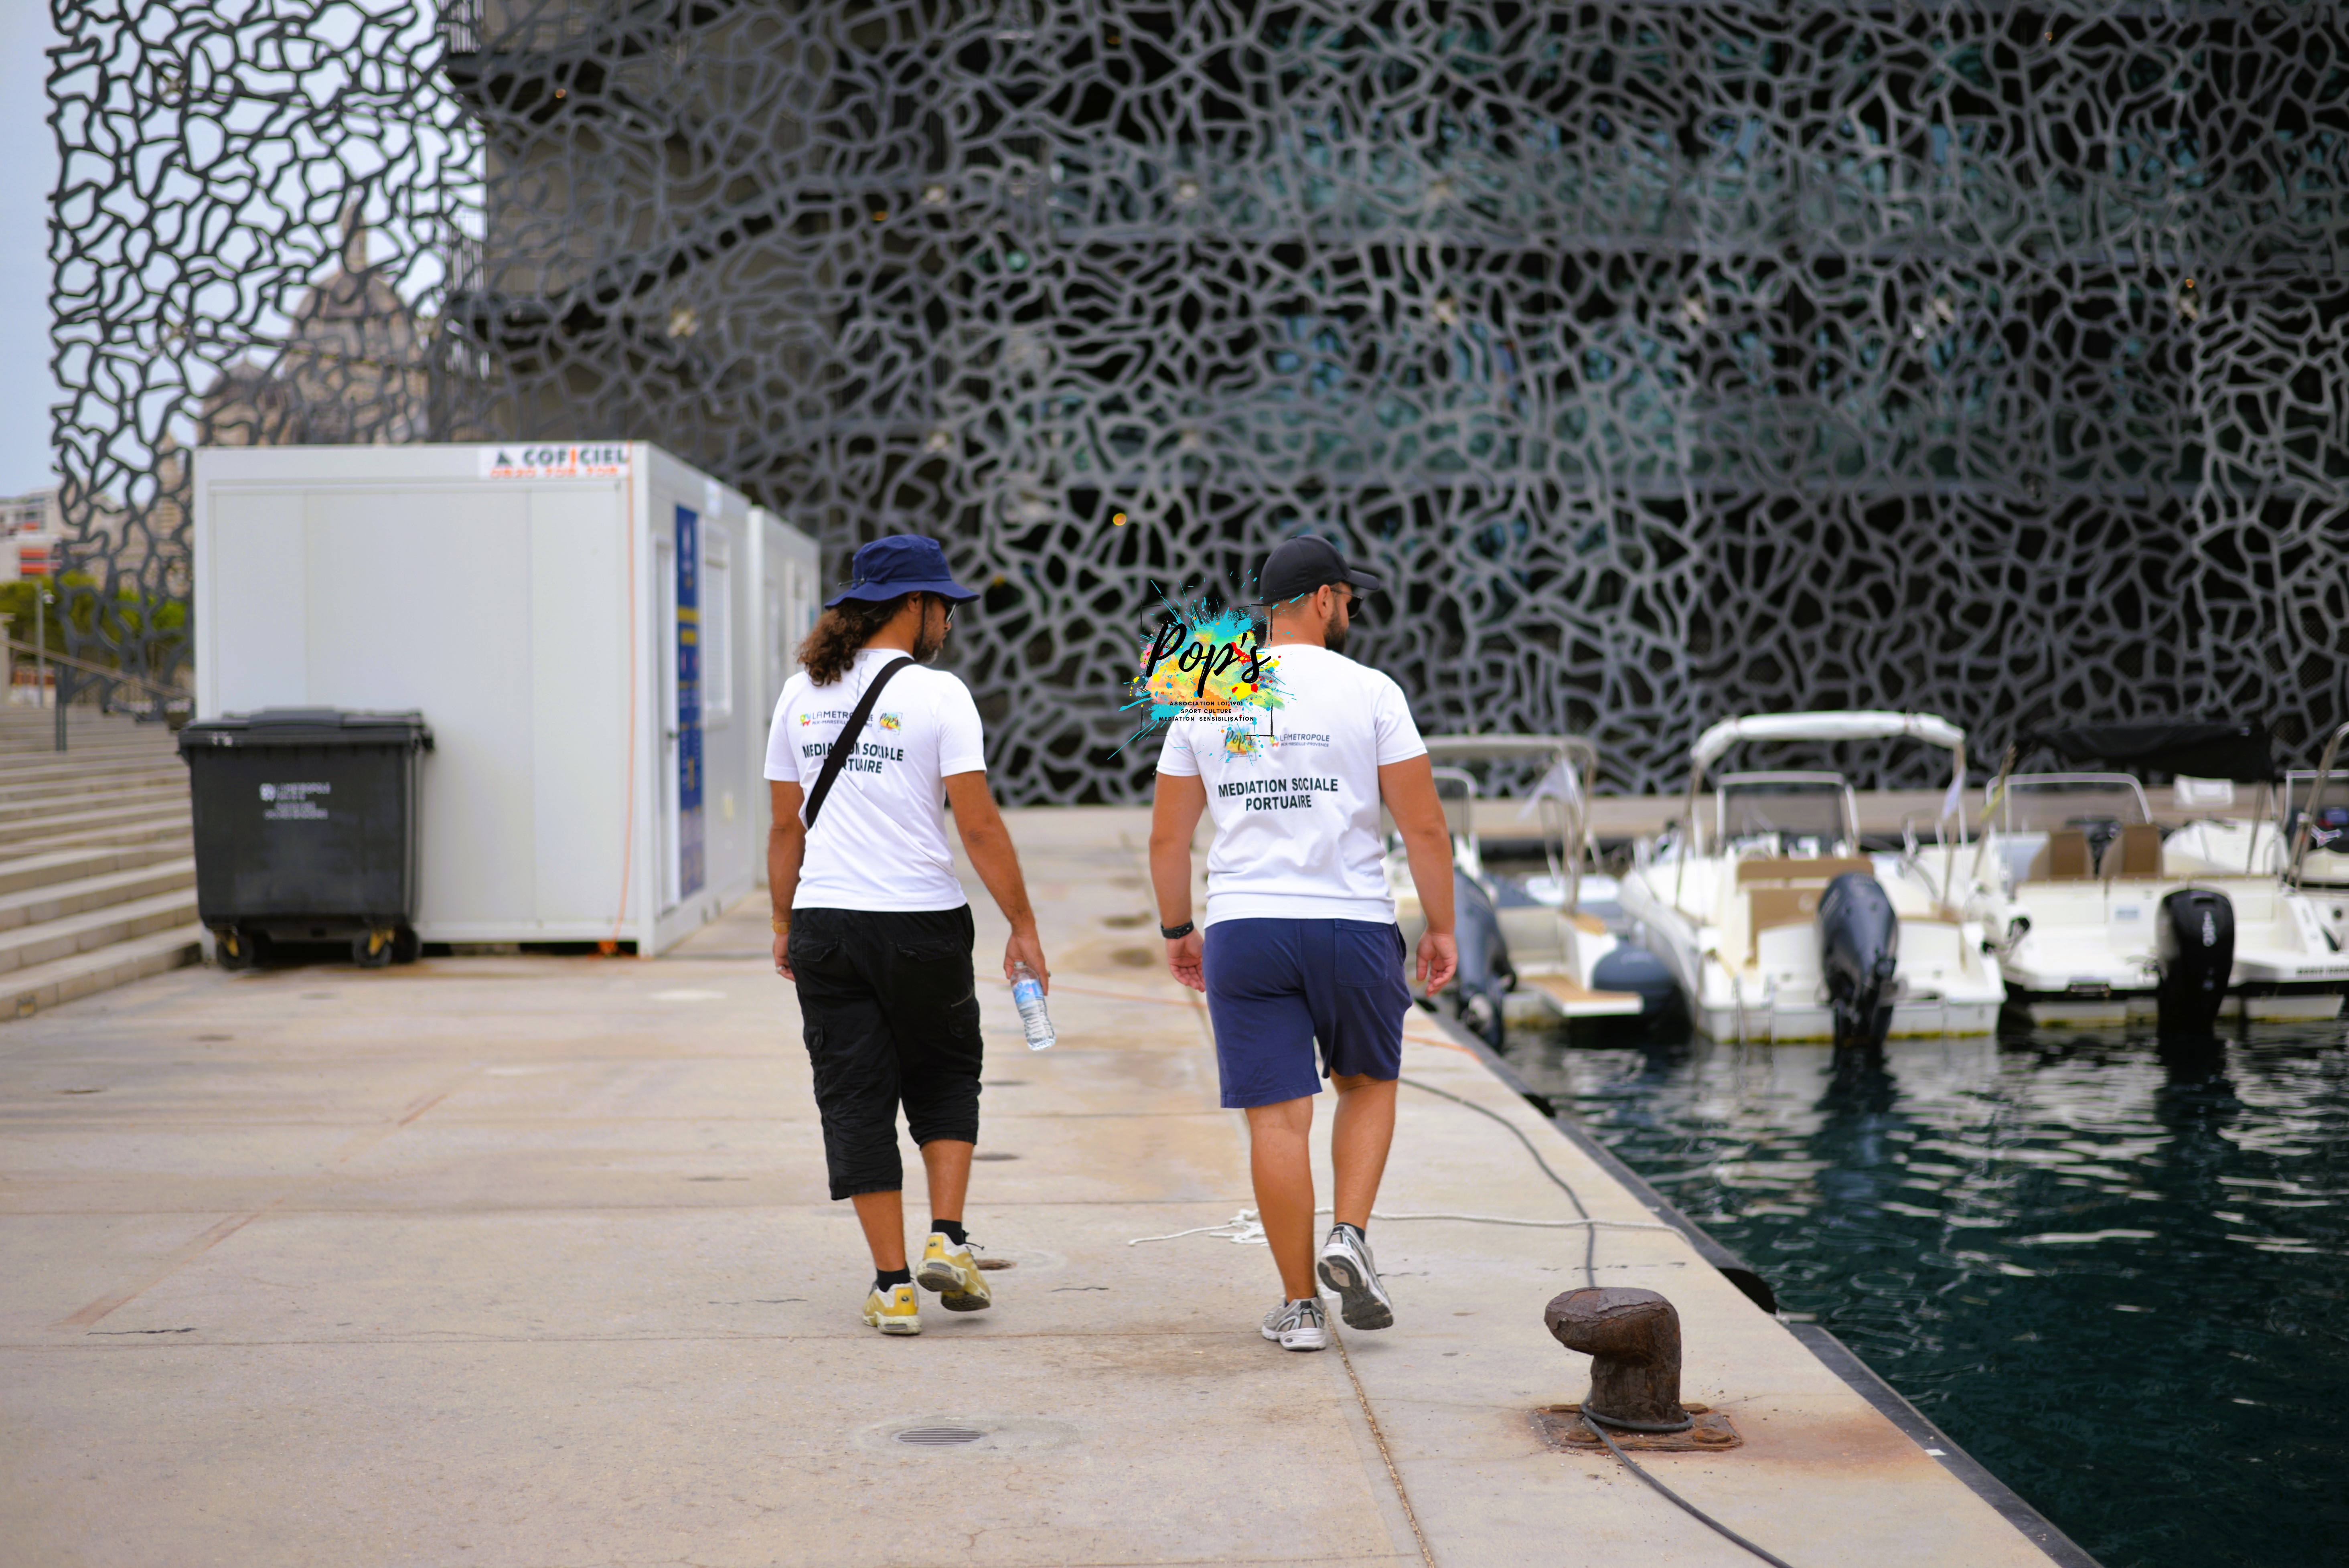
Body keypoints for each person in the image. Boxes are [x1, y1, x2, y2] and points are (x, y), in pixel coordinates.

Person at [1148, 536, 1458, 1351]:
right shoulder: (1372, 690)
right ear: (1322, 599)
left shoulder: (1206, 690)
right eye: (1349, 597)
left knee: (1277, 1123)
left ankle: (1298, 1308)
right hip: (1352, 923)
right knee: (1367, 1083)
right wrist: (1443, 923)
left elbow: (1167, 839)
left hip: (1247, 927)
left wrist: (1180, 929)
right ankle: (1347, 1234)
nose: (1351, 610)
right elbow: (1422, 824)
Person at [764, 533, 1050, 1338]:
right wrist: (1022, 924)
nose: (950, 624)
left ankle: (892, 1284)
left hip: (827, 921)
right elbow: (980, 823)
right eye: (945, 607)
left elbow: (785, 827)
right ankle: (947, 1240)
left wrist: (785, 920)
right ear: (914, 607)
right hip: (921, 918)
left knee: (855, 1094)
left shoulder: (798, 695)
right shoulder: (939, 695)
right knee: (946, 1069)